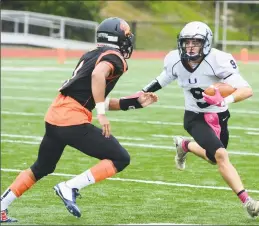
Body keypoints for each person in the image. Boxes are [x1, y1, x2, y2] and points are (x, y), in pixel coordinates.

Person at [0, 17, 158, 222]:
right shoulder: (115, 57)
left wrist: (134, 102)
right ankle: (70, 187)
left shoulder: (92, 54)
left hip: (56, 115)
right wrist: (101, 113)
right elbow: (97, 78)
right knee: (121, 158)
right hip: (71, 119)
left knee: (42, 167)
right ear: (119, 38)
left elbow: (90, 95)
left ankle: (2, 205)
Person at [140, 21, 259, 218]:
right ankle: (248, 202)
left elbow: (246, 90)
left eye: (195, 42)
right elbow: (163, 78)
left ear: (206, 44)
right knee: (221, 155)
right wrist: (142, 92)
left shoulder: (218, 60)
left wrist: (224, 98)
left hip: (219, 114)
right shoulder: (175, 60)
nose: (190, 46)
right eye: (186, 42)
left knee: (213, 158)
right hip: (194, 117)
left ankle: (184, 145)